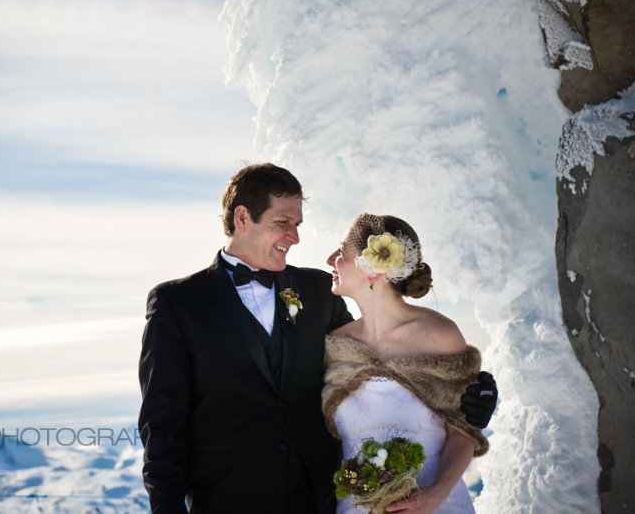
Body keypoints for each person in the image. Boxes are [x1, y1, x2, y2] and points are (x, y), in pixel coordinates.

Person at [138, 164, 497, 514]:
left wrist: (476, 392)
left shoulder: (317, 291)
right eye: (283, 223)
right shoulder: (178, 304)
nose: (295, 237)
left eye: (297, 225)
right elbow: (163, 427)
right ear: (243, 218)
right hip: (227, 499)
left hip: (320, 499)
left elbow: (378, 359)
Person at [322, 213, 490, 514]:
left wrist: (434, 495)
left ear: (373, 268)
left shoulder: (440, 335)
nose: (329, 259)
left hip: (434, 506)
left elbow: (463, 431)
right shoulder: (333, 345)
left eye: (340, 251)